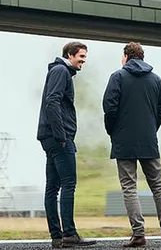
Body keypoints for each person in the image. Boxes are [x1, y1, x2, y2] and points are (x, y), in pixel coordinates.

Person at [102, 42, 161, 247]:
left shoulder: (117, 77)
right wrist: (152, 128)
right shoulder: (156, 79)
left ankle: (139, 234)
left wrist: (113, 131)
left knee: (129, 187)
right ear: (142, 57)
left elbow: (109, 108)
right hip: (148, 140)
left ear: (126, 56)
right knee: (158, 185)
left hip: (124, 140)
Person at [37, 41, 97, 248]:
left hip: (49, 136)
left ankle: (57, 236)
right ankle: (69, 234)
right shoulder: (61, 71)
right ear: (70, 55)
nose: (83, 61)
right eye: (81, 57)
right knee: (68, 184)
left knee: (52, 187)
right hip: (57, 137)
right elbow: (52, 101)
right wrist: (62, 136)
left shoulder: (58, 71)